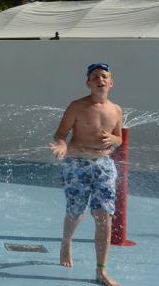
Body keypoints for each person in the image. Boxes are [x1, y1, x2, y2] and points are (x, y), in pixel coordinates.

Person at [49, 62, 122, 286]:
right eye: (95, 77)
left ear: (111, 82)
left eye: (104, 76)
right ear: (88, 83)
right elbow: (60, 134)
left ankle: (100, 271)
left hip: (104, 165)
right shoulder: (77, 107)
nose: (100, 79)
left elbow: (119, 138)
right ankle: (66, 241)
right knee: (76, 213)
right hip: (77, 164)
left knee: (104, 217)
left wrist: (114, 140)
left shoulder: (116, 110)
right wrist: (61, 146)